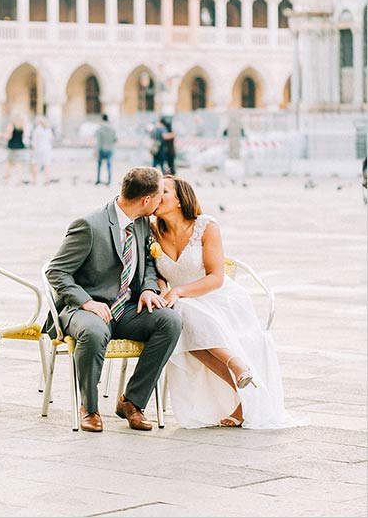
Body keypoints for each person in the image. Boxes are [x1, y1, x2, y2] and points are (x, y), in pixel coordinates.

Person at [152, 175, 302, 430]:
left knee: (184, 313)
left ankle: (236, 365)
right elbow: (153, 274)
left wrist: (178, 292)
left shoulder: (206, 226)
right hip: (180, 301)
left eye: (163, 192)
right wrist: (164, 290)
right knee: (183, 327)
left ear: (179, 199)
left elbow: (216, 277)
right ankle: (244, 388)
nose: (156, 197)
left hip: (216, 297)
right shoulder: (152, 231)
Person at [44, 166, 182, 433]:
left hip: (128, 309)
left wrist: (148, 290)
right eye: (158, 196)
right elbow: (56, 271)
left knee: (170, 321)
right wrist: (86, 302)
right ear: (146, 200)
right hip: (85, 309)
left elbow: (149, 266)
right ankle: (89, 408)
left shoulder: (141, 223)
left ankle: (132, 402)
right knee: (94, 332)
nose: (160, 201)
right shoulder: (89, 225)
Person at [30, 116, 54, 185]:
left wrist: (33, 148)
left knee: (34, 163)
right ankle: (46, 180)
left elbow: (34, 141)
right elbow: (52, 139)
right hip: (47, 148)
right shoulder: (48, 129)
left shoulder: (37, 129)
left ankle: (34, 180)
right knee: (47, 165)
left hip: (38, 148)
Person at [95, 113, 117, 185]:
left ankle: (98, 179)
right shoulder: (112, 129)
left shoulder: (99, 129)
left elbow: (98, 142)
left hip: (101, 149)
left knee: (99, 165)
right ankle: (109, 180)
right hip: (110, 149)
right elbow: (115, 139)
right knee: (109, 165)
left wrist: (96, 151)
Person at [4, 115, 27, 183]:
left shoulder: (11, 125)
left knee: (9, 163)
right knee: (18, 164)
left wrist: (4, 136)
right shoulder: (22, 126)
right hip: (20, 146)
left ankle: (7, 180)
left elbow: (9, 136)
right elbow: (23, 136)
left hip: (12, 146)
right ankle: (19, 180)